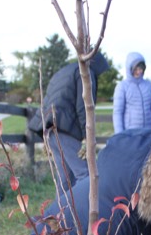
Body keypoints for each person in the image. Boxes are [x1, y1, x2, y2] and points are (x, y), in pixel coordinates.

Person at [28, 52, 110, 196]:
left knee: (65, 179)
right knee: (85, 173)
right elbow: (84, 107)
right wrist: (87, 137)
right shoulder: (85, 73)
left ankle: (62, 216)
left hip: (50, 128)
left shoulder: (65, 71)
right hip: (65, 128)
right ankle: (86, 213)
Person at [112, 52, 151, 133]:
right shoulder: (122, 86)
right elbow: (118, 112)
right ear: (129, 69)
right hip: (130, 133)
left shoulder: (149, 85)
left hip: (149, 132)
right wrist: (119, 134)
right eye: (135, 69)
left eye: (140, 69)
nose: (138, 72)